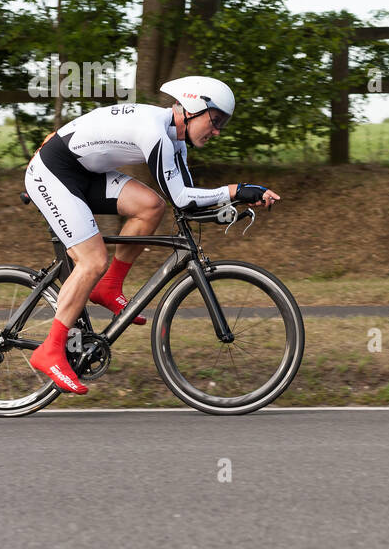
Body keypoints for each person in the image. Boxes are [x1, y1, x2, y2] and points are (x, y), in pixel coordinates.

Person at [22, 76, 280, 395]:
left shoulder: (176, 141)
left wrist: (234, 202)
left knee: (151, 206)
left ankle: (109, 286)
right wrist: (237, 190)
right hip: (54, 172)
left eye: (221, 125)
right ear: (192, 109)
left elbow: (184, 202)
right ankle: (50, 349)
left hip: (83, 172)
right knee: (91, 260)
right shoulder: (155, 134)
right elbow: (183, 199)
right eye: (215, 121)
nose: (216, 131)